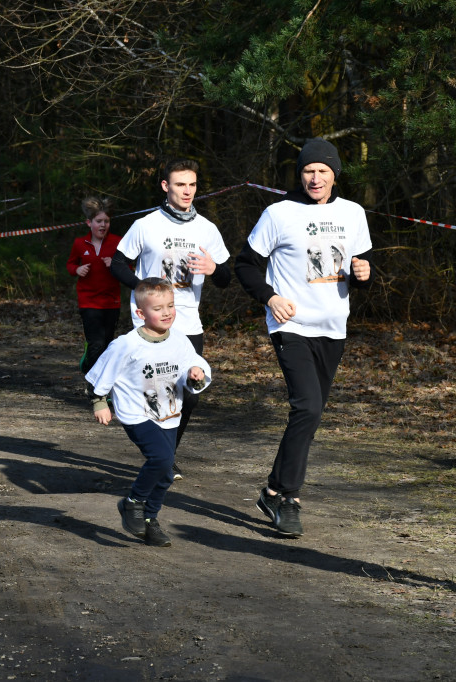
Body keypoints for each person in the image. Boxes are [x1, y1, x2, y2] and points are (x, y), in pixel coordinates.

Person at [234, 138, 372, 538]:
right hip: (291, 325)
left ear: (335, 175)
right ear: (300, 175)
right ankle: (289, 498)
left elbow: (361, 267)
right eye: (309, 171)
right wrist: (271, 297)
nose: (315, 178)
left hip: (334, 326)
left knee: (308, 415)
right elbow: (246, 265)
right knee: (308, 408)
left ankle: (272, 490)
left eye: (323, 171)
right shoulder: (279, 213)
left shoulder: (353, 213)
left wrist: (365, 275)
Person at [111, 159, 231, 480]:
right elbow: (118, 263)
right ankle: (161, 456)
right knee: (153, 391)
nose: (187, 191)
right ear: (166, 186)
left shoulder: (207, 229)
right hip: (150, 325)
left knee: (190, 393)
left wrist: (213, 269)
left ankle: (166, 454)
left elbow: (226, 277)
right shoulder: (146, 225)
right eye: (180, 184)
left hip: (189, 323)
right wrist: (143, 288)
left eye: (192, 184)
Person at [86, 278, 211, 547]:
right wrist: (99, 401)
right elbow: (102, 371)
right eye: (158, 308)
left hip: (169, 412)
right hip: (137, 413)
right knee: (163, 458)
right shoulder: (126, 344)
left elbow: (195, 367)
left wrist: (196, 375)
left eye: (170, 306)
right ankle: (132, 503)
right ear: (141, 314)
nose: (166, 313)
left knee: (165, 473)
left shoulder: (179, 340)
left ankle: (149, 520)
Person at [67, 196, 122, 378]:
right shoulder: (79, 243)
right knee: (97, 343)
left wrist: (115, 264)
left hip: (111, 302)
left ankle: (94, 364)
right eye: (99, 221)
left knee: (106, 344)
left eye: (106, 221)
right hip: (89, 301)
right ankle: (95, 384)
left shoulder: (118, 242)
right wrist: (77, 269)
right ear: (89, 223)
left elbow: (128, 268)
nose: (103, 225)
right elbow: (70, 265)